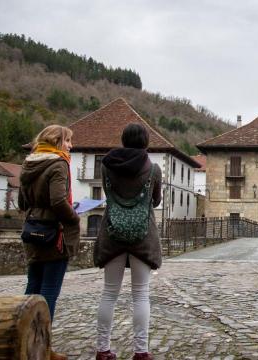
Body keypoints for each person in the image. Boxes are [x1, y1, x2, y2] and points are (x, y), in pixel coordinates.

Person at [94, 123, 162, 360]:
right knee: (141, 295)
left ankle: (103, 350)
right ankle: (141, 352)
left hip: (112, 235)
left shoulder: (106, 167)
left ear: (123, 140)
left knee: (109, 293)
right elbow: (155, 201)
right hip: (142, 237)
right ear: (145, 142)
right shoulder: (153, 170)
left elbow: (109, 195)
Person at [19, 125, 80, 360]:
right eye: (68, 141)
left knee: (32, 287)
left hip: (33, 230)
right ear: (57, 141)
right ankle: (42, 347)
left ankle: (21, 341)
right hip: (54, 233)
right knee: (49, 292)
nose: (70, 146)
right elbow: (58, 200)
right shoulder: (58, 163)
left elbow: (23, 202)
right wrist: (73, 215)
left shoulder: (29, 163)